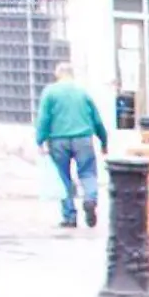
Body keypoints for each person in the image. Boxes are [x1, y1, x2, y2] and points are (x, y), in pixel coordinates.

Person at [34, 62, 109, 229]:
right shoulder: (82, 92)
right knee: (88, 172)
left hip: (58, 140)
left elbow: (44, 118)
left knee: (63, 177)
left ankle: (69, 216)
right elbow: (97, 120)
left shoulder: (50, 92)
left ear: (57, 74)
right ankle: (90, 198)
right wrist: (104, 141)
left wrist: (40, 140)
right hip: (83, 138)